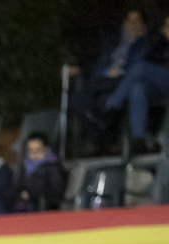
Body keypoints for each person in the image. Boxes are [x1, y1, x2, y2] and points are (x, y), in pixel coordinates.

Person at [70, 8, 147, 154]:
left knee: (107, 104)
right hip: (102, 81)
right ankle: (95, 139)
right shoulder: (112, 41)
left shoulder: (145, 43)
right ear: (124, 23)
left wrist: (121, 72)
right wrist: (86, 70)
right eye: (130, 21)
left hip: (123, 83)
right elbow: (99, 65)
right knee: (78, 101)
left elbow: (141, 67)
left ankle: (107, 143)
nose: (133, 24)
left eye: (137, 21)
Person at [104, 12, 169, 154]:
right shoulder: (160, 43)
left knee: (139, 67)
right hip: (161, 85)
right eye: (165, 26)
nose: (165, 28)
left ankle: (114, 103)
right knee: (137, 88)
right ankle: (138, 139)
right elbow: (152, 59)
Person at [10, 133, 67, 212]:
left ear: (46, 149)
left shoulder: (53, 167)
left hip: (46, 211)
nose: (34, 154)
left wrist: (31, 194)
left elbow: (56, 193)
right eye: (31, 150)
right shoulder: (25, 166)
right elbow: (16, 186)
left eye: (38, 150)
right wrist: (22, 193)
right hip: (24, 209)